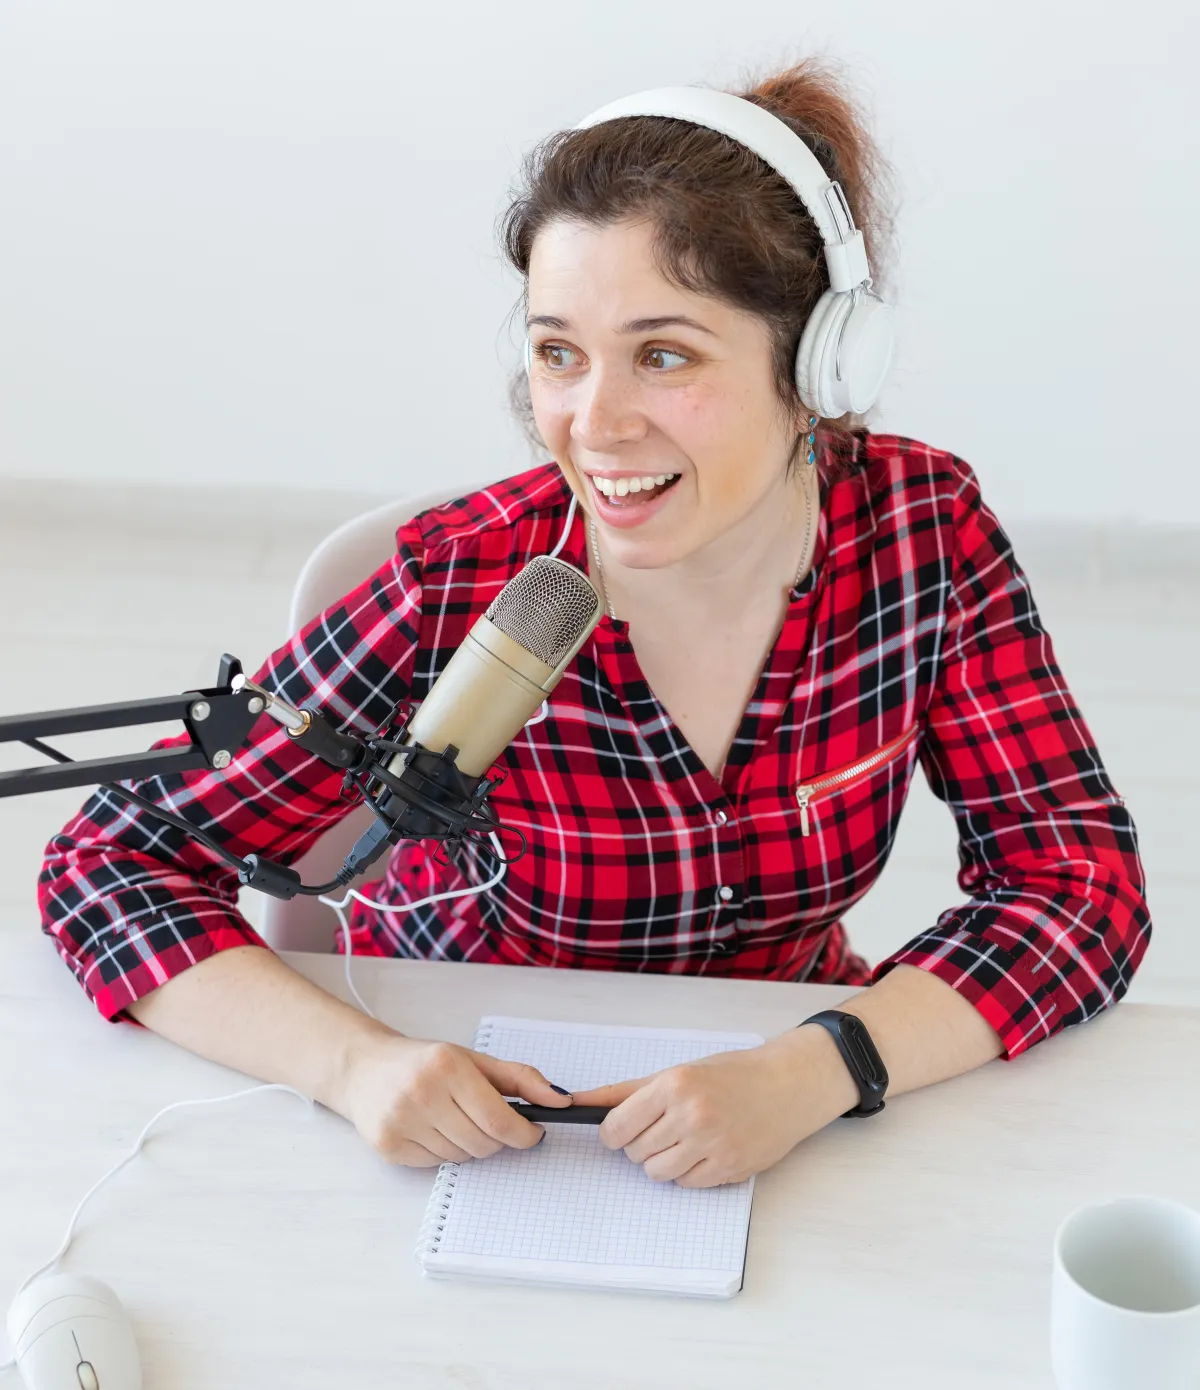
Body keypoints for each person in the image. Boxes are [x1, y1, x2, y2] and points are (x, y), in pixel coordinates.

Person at [38, 57, 1150, 1190]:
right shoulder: (465, 583)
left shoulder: (924, 533)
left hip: (783, 1101)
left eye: (663, 355)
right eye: (558, 353)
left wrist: (821, 1067)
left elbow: (1078, 881)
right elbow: (108, 863)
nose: (593, 423)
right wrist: (355, 1065)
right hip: (480, 1116)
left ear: (819, 363)